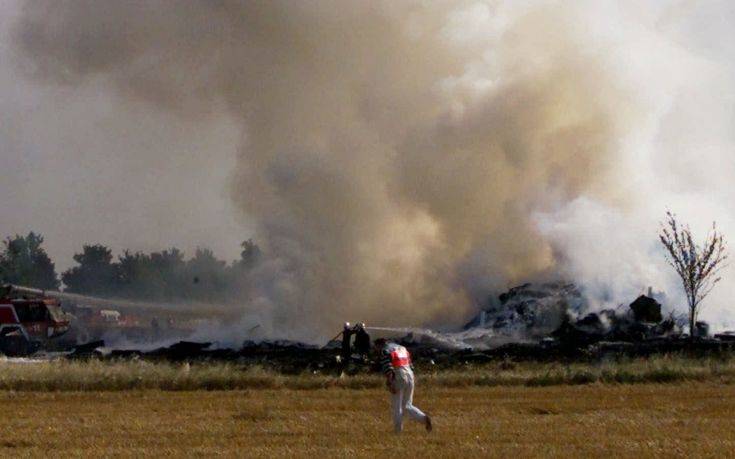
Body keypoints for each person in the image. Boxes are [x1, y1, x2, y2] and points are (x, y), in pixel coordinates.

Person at [375, 338, 432, 433]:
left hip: (399, 376)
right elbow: (411, 365)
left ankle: (397, 431)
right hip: (410, 375)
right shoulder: (402, 348)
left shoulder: (385, 351)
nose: (375, 349)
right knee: (407, 405)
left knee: (397, 406)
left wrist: (390, 383)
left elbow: (388, 367)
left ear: (379, 345)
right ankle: (423, 418)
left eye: (375, 347)